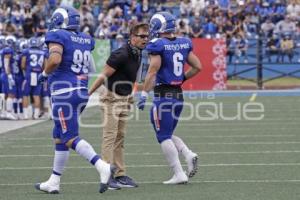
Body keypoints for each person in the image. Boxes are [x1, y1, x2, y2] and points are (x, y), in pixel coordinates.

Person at [35, 6, 115, 194]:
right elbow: (92, 66)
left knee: (69, 137)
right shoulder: (86, 39)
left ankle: (101, 166)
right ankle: (54, 181)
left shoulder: (58, 35)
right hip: (80, 91)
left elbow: (54, 59)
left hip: (64, 92)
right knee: (59, 137)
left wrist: (45, 73)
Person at [137, 12, 201, 184]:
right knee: (167, 133)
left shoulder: (157, 45)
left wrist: (143, 93)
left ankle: (179, 173)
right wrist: (181, 79)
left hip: (163, 96)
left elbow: (152, 71)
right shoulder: (184, 42)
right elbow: (197, 67)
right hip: (178, 95)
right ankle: (188, 154)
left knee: (163, 136)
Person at [88, 22, 149, 189]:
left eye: (147, 36)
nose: (145, 39)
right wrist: (88, 94)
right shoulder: (120, 54)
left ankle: (120, 174)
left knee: (120, 136)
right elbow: (102, 76)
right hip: (111, 97)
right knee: (110, 136)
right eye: (142, 36)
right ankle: (106, 175)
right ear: (132, 37)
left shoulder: (138, 53)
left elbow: (133, 77)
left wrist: (132, 93)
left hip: (124, 97)